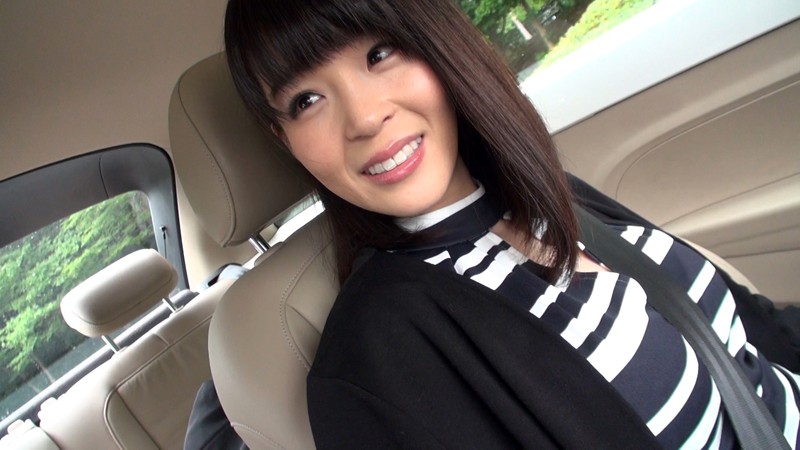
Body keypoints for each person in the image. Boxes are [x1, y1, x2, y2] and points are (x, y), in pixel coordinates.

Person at [221, 0, 800, 448]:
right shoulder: (375, 360)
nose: (366, 118)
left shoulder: (543, 192)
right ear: (284, 140)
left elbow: (752, 338)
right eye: (306, 101)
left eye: (379, 54)